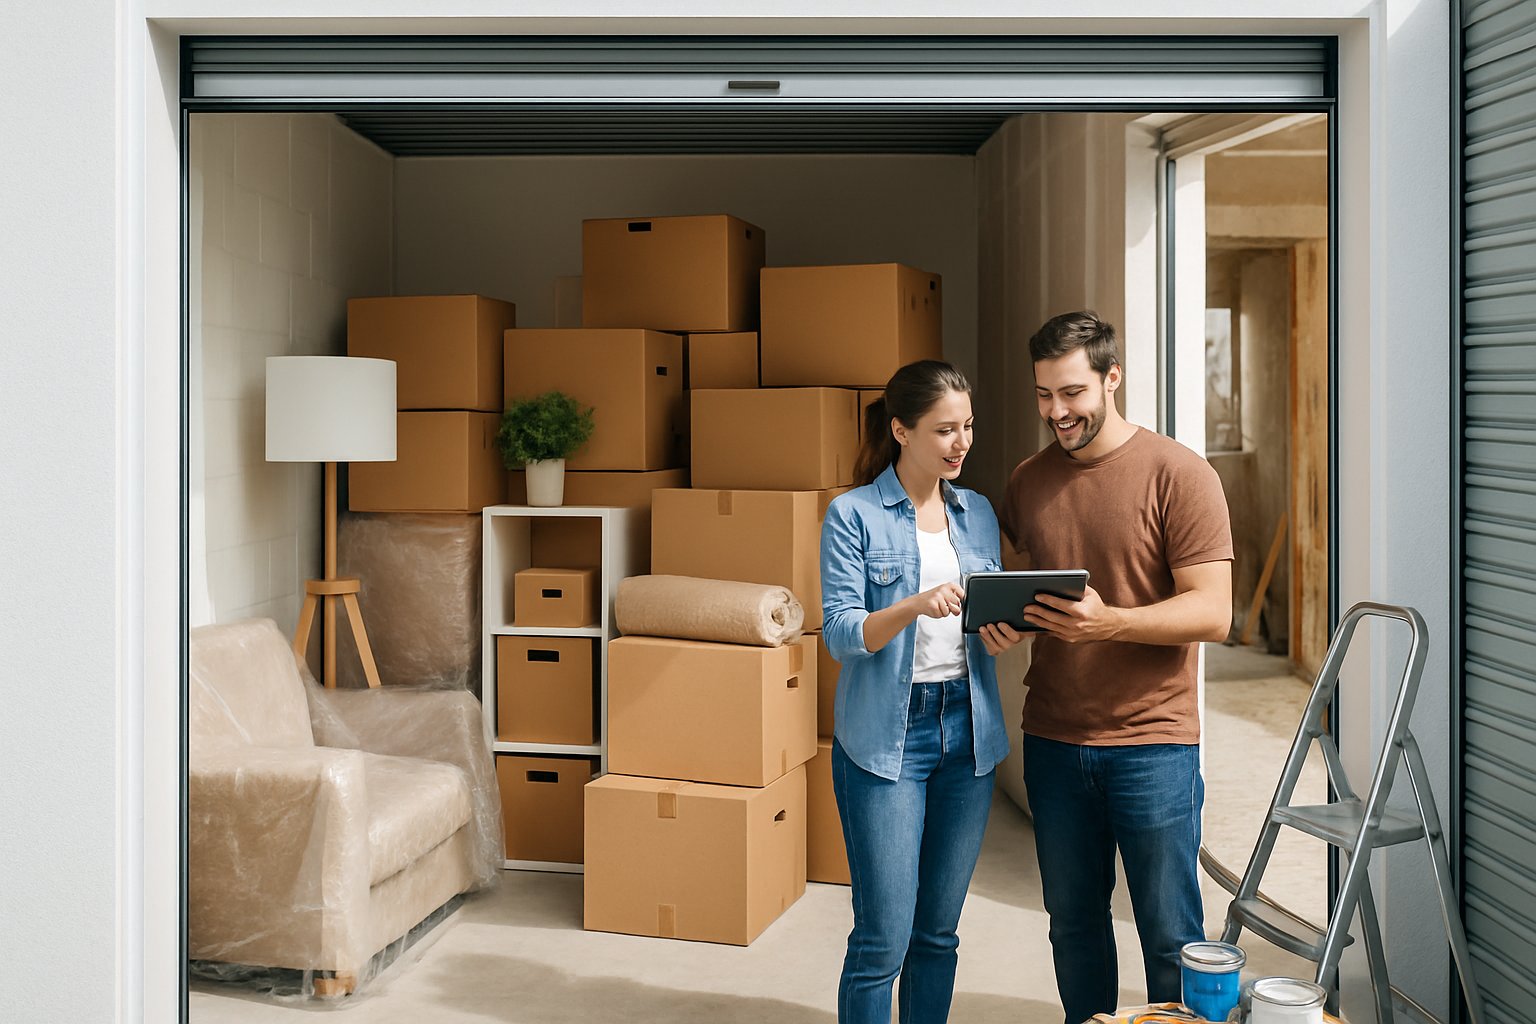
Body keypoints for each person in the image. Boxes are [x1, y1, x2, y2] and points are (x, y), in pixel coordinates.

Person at [1002, 311, 1233, 1024]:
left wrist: (1112, 623)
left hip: (1154, 745)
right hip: (1053, 738)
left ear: (1112, 377)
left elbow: (1213, 613)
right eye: (1043, 395)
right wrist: (1001, 621)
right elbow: (1015, 587)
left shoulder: (1179, 474)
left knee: (1169, 934)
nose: (1056, 412)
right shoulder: (1027, 480)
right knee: (1073, 928)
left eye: (1071, 393)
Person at [820, 359, 1019, 1024]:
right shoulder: (851, 516)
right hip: (887, 737)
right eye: (944, 430)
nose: (961, 443)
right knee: (883, 939)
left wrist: (1000, 631)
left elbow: (982, 610)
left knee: (938, 934)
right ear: (901, 430)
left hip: (968, 732)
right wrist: (913, 604)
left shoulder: (979, 512)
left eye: (967, 427)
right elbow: (843, 634)